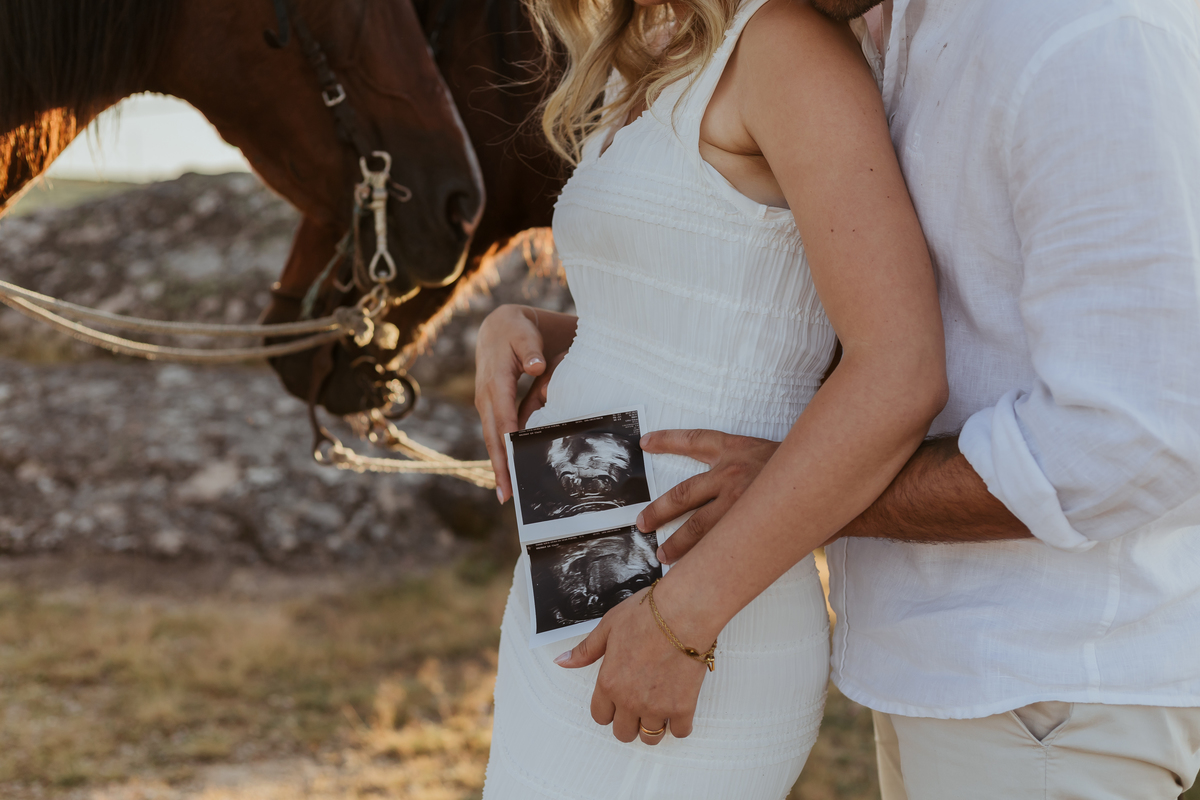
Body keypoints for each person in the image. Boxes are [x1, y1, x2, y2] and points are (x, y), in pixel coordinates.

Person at [509, 0, 1200, 797]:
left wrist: (692, 606)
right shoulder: (875, 28)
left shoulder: (1092, 34)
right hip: (625, 588)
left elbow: (1137, 432)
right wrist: (542, 333)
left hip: (1045, 675)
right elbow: (759, 322)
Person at [473, 0, 947, 794]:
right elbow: (697, 312)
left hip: (690, 608)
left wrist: (683, 620)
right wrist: (528, 326)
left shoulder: (783, 45)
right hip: (575, 578)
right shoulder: (653, 48)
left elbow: (898, 368)